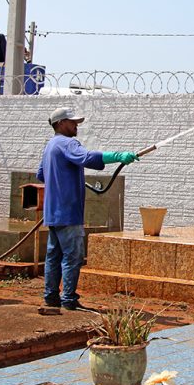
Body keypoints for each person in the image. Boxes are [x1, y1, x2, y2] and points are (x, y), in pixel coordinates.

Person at [37, 107, 139, 310]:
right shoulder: (67, 143)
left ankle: (51, 297)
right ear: (60, 124)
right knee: (72, 256)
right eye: (72, 121)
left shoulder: (50, 145)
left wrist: (64, 177)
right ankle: (69, 299)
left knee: (54, 256)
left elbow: (41, 174)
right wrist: (118, 156)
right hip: (68, 211)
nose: (76, 125)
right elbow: (87, 157)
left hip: (53, 211)